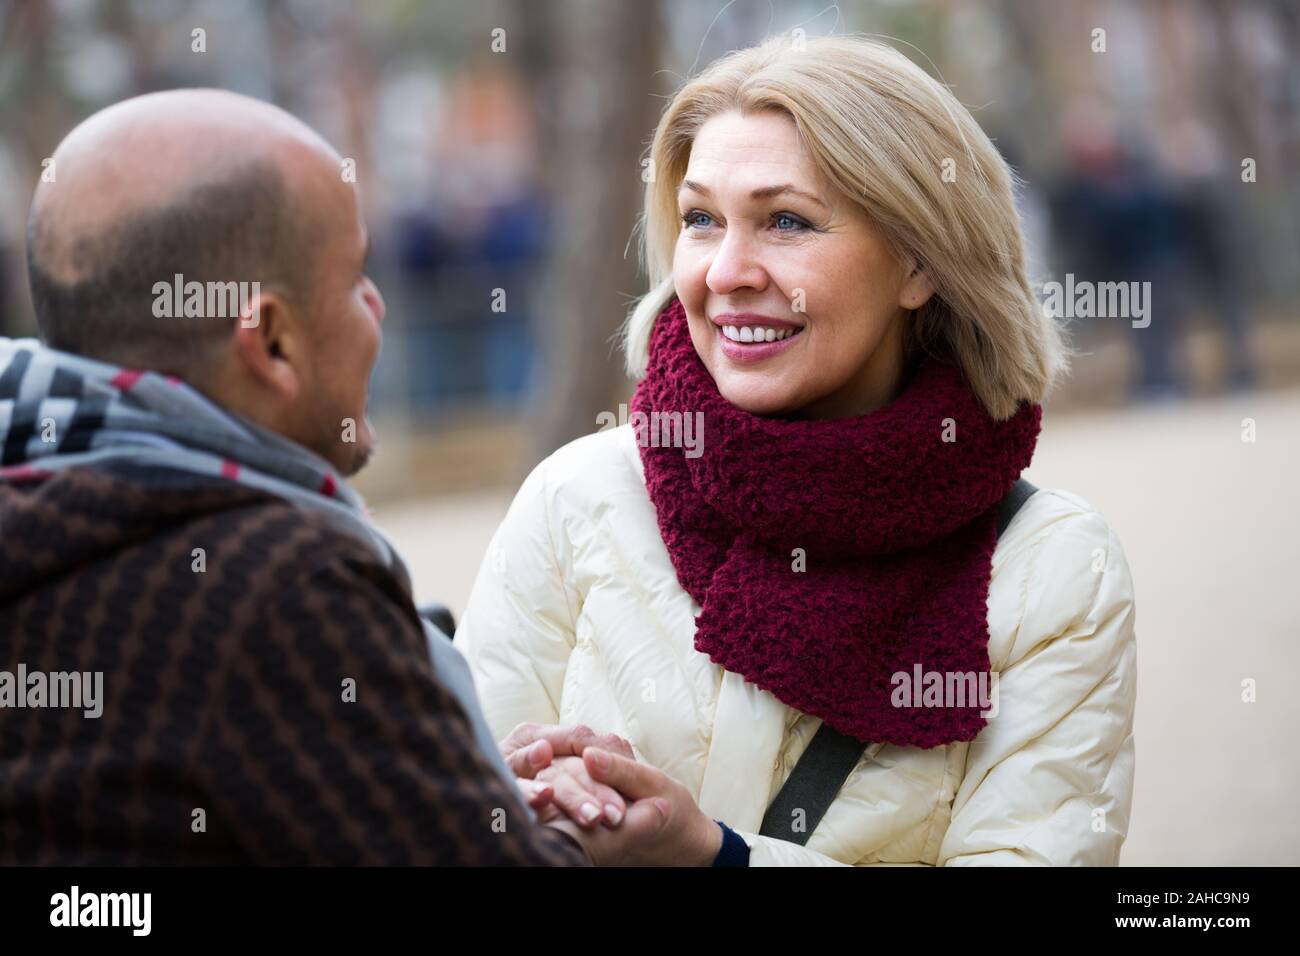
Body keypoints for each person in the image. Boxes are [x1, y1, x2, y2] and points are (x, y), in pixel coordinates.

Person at [457, 35, 1139, 866]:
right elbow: (447, 826)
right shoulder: (577, 496)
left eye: (786, 221)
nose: (725, 272)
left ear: (920, 261)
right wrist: (537, 820)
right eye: (702, 220)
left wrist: (714, 857)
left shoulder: (1059, 569)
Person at [0, 88, 629, 865]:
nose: (379, 307)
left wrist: (465, 770)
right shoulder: (277, 586)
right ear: (269, 341)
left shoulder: (44, 499)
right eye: (355, 277)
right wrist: (584, 817)